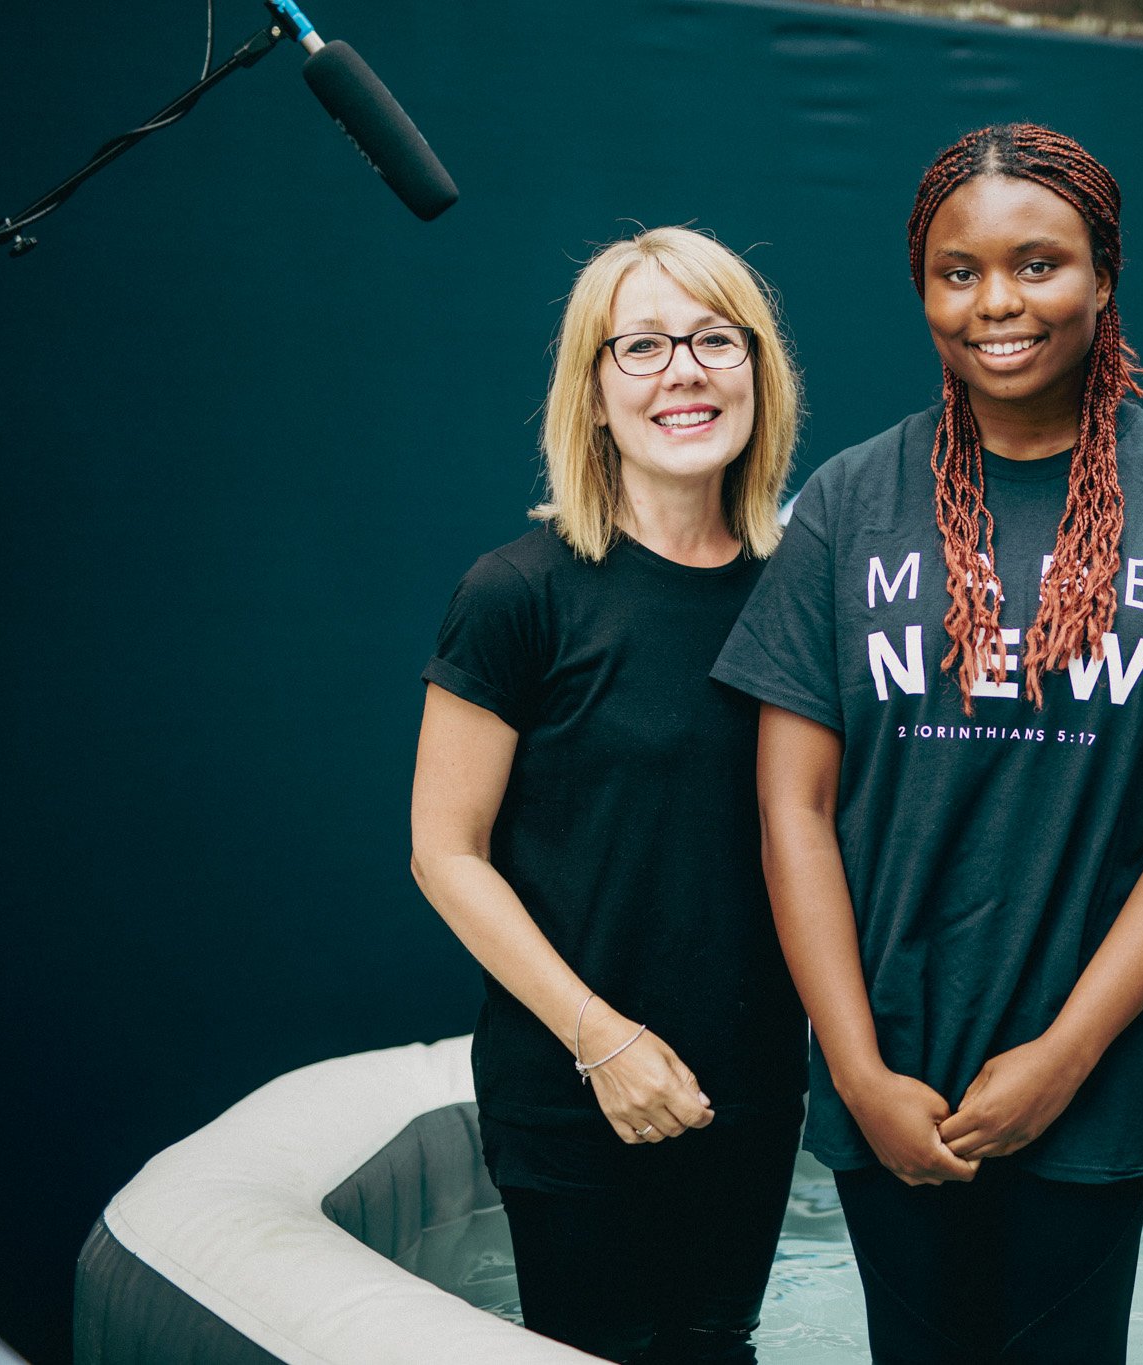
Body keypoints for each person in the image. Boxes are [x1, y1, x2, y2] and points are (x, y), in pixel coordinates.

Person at [711, 123, 1143, 1364]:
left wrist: (1063, 1056)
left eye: (1037, 265)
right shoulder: (847, 500)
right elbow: (792, 808)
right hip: (889, 1067)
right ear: (923, 286)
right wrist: (857, 1069)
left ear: (1102, 276)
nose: (996, 302)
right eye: (957, 271)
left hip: (1088, 1082)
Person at [409, 226, 807, 1364]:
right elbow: (445, 851)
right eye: (639, 346)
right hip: (572, 1087)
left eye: (712, 339)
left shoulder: (807, 597)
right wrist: (602, 1042)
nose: (682, 370)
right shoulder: (516, 596)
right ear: (591, 393)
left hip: (749, 1090)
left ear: (756, 373)